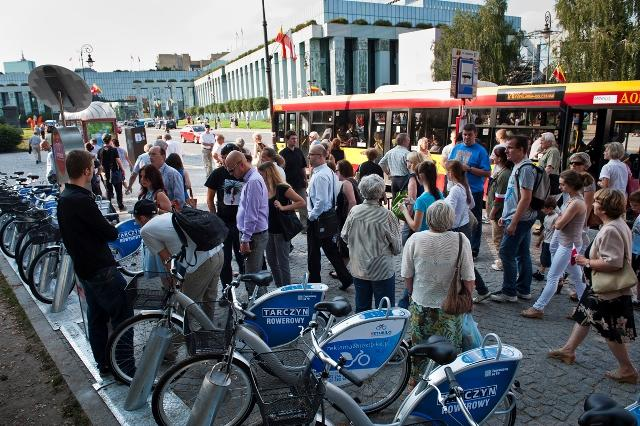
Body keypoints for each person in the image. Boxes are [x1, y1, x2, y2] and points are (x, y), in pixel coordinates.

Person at [549, 189, 638, 385]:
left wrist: (586, 261)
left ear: (604, 208)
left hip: (609, 290)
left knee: (611, 330)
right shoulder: (618, 224)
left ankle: (627, 369)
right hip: (601, 288)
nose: (594, 204)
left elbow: (613, 262)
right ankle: (568, 350)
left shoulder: (611, 229)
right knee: (584, 315)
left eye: (597, 202)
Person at [56, 150, 133, 375]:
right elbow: (108, 232)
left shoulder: (65, 197)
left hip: (85, 270)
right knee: (123, 318)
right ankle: (126, 368)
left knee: (97, 318)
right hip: (101, 269)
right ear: (86, 171)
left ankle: (104, 364)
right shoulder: (81, 200)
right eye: (93, 166)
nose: (95, 170)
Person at [402, 200, 475, 383]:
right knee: (449, 348)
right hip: (450, 307)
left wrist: (413, 293)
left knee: (420, 347)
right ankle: (445, 382)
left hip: (421, 304)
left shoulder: (415, 239)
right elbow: (469, 278)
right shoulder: (460, 240)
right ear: (450, 219)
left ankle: (416, 384)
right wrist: (468, 297)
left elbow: (407, 275)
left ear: (429, 218)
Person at [522, 170, 588, 319]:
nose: (560, 187)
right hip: (568, 244)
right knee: (577, 276)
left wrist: (559, 220)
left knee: (553, 276)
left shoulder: (576, 202)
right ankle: (584, 310)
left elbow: (558, 224)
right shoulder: (572, 199)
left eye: (563, 185)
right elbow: (559, 221)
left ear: (571, 185)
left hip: (568, 246)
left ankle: (538, 308)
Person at [138, 199, 224, 309]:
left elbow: (168, 261)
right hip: (218, 251)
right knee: (208, 301)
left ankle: (187, 326)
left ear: (142, 218)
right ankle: (208, 326)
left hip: (202, 263)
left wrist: (175, 286)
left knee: (186, 307)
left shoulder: (145, 230)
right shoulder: (170, 215)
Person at [341, 175, 401, 312]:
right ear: (381, 192)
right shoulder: (387, 215)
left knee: (362, 308)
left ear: (362, 190)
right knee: (384, 310)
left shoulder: (354, 212)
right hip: (382, 269)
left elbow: (344, 236)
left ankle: (362, 332)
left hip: (359, 267)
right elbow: (397, 247)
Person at [491, 135, 538, 303]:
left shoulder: (525, 169)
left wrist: (514, 222)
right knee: (522, 253)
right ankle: (523, 289)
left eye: (510, 148)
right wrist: (506, 216)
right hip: (519, 217)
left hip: (521, 219)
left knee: (506, 252)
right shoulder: (519, 167)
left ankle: (509, 291)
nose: (506, 151)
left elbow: (525, 198)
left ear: (522, 150)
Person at [306, 144, 353, 290]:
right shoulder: (329, 172)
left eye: (311, 154)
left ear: (321, 156)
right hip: (328, 216)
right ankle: (345, 278)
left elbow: (321, 201)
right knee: (330, 250)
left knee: (314, 253)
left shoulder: (321, 175)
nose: (308, 157)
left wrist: (311, 216)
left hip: (320, 217)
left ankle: (314, 283)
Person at [224, 150, 269, 295]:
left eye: (231, 170)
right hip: (252, 234)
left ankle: (259, 310)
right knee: (254, 276)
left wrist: (245, 239)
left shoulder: (253, 181)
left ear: (241, 165)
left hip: (253, 235)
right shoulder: (251, 179)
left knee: (252, 279)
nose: (231, 174)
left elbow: (251, 214)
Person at [258, 161, 306, 287]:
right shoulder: (264, 188)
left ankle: (286, 288)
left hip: (281, 230)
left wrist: (284, 207)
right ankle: (279, 287)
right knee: (271, 261)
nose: (260, 178)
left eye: (262, 175)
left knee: (282, 261)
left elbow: (301, 202)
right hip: (268, 229)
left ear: (269, 175)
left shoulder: (282, 187)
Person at [447, 123, 491, 258]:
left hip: (474, 190)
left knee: (474, 220)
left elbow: (487, 172)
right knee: (455, 218)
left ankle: (474, 248)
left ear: (475, 134)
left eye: (469, 135)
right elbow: (449, 164)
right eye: (464, 134)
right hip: (455, 188)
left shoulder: (481, 151)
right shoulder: (457, 147)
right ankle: (457, 246)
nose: (466, 137)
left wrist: (469, 169)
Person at [205, 143, 245, 287]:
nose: (223, 161)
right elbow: (209, 198)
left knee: (243, 258)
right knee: (225, 259)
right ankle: (226, 291)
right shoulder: (218, 173)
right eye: (222, 158)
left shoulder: (245, 173)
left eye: (225, 158)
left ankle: (248, 288)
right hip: (224, 223)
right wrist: (215, 219)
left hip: (242, 224)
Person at [486, 146, 512, 271]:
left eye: (494, 156)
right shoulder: (502, 171)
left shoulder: (504, 174)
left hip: (498, 213)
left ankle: (502, 262)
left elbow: (500, 197)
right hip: (497, 210)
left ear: (500, 158)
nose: (492, 158)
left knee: (497, 238)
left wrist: (492, 212)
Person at [334, 159, 362, 268]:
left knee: (344, 244)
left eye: (336, 170)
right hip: (351, 217)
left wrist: (349, 219)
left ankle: (342, 271)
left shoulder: (346, 183)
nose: (336, 173)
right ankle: (342, 270)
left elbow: (352, 201)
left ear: (342, 171)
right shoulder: (353, 180)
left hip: (347, 218)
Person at [401, 160, 443, 233]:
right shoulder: (438, 192)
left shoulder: (421, 200)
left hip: (424, 238)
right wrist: (414, 203)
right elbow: (429, 206)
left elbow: (415, 227)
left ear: (420, 176)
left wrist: (404, 211)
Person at [279, 130, 309, 231]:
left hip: (300, 182)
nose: (295, 141)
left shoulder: (299, 151)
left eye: (296, 139)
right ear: (287, 140)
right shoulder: (282, 153)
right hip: (288, 184)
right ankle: (290, 225)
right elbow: (280, 170)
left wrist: (305, 179)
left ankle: (304, 226)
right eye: (292, 139)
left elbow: (303, 167)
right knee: (288, 205)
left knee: (303, 204)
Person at [399, 151, 425, 244]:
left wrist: (408, 216)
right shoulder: (420, 176)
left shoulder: (412, 178)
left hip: (414, 212)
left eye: (407, 160)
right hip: (419, 209)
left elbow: (411, 199)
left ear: (412, 163)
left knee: (406, 235)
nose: (406, 162)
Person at [532, 197, 560, 281]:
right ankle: (541, 272)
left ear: (550, 208)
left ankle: (542, 273)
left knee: (546, 259)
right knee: (543, 257)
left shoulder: (556, 217)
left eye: (544, 208)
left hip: (551, 242)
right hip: (546, 240)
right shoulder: (547, 217)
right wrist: (539, 240)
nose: (542, 210)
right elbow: (544, 229)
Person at [445, 160, 474, 236]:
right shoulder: (465, 186)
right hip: (465, 225)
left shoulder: (455, 189)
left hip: (456, 229)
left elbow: (450, 211)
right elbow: (472, 205)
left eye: (447, 171)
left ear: (451, 173)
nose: (446, 173)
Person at [99, 134, 127, 211]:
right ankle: (120, 206)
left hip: (104, 174)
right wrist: (122, 169)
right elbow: (118, 161)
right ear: (110, 140)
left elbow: (99, 163)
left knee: (108, 191)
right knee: (118, 190)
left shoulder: (100, 150)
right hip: (114, 172)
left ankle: (108, 207)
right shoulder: (114, 150)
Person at [379, 132, 411, 199]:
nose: (409, 142)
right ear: (404, 141)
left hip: (394, 180)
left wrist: (388, 173)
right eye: (408, 140)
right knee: (404, 200)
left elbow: (381, 163)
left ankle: (394, 210)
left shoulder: (390, 152)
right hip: (404, 180)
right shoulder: (407, 153)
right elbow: (410, 167)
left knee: (395, 200)